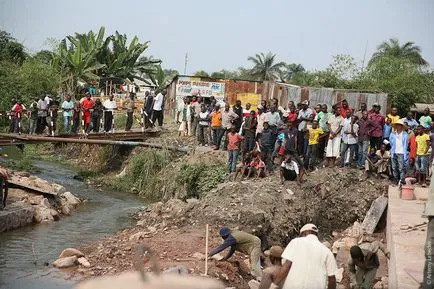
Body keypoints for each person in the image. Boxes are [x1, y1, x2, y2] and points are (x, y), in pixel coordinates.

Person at [274, 223, 337, 289]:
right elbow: (332, 279)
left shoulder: (296, 242)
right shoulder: (327, 251)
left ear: (304, 233)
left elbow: (287, 265)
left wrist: (274, 284)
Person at [389, 119, 409, 186]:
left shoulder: (405, 134)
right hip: (394, 152)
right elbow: (391, 143)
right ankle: (395, 179)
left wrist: (405, 153)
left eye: (399, 125)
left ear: (401, 126)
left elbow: (406, 144)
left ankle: (402, 180)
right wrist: (392, 150)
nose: (398, 126)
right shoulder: (392, 134)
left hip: (401, 152)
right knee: (394, 167)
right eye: (397, 125)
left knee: (401, 167)